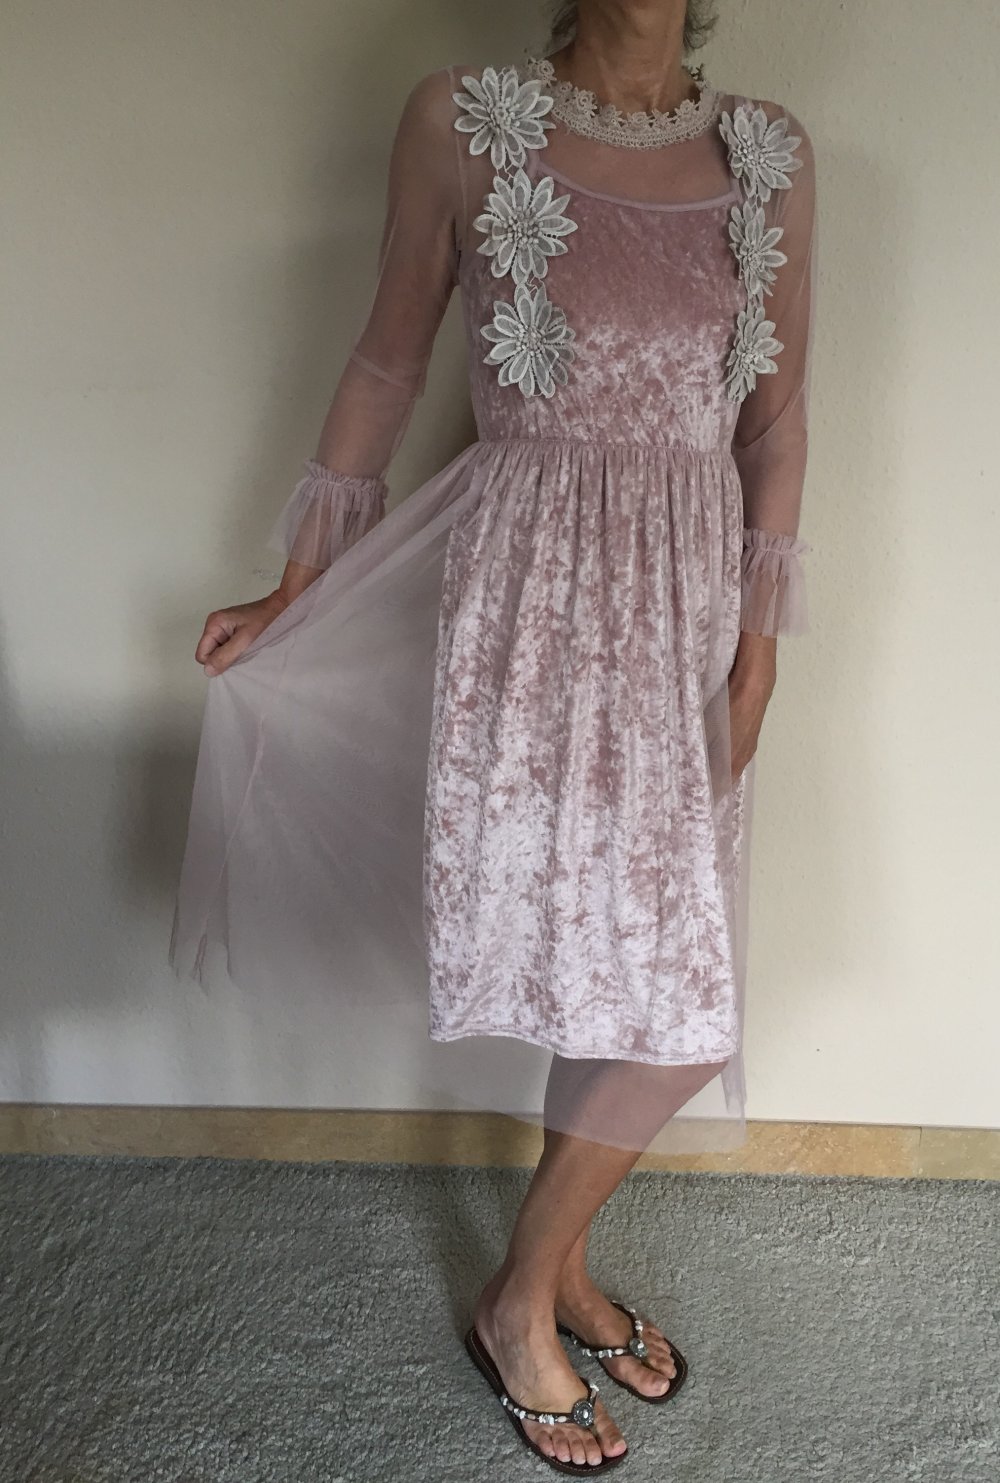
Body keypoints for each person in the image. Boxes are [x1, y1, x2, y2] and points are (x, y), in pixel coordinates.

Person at [169, 0, 817, 1471]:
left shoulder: (769, 152)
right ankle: (533, 1297)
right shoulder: (461, 119)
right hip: (528, 598)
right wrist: (298, 583)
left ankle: (537, 1273)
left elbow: (775, 426)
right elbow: (388, 361)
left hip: (683, 612)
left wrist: (760, 649)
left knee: (665, 990)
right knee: (602, 966)